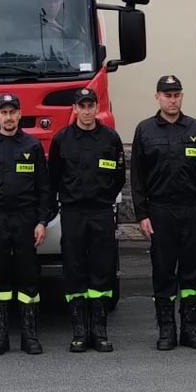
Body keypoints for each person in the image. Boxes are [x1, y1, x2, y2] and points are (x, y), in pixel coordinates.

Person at [131, 75, 196, 351]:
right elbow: (138, 179)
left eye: (177, 94)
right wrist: (142, 213)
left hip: (191, 210)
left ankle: (191, 328)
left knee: (193, 274)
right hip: (160, 211)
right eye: (167, 95)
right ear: (157, 97)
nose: (172, 100)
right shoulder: (145, 130)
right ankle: (166, 330)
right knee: (163, 273)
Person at [0, 93, 52, 356]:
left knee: (28, 276)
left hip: (26, 219)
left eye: (12, 112)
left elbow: (44, 188)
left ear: (20, 114)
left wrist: (42, 221)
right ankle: (0, 337)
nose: (8, 117)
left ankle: (29, 336)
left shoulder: (31, 146)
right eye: (3, 112)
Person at [48, 87, 126, 353]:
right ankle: (80, 331)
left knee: (102, 268)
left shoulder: (110, 139)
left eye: (91, 105)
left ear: (96, 108)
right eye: (82, 106)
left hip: (101, 211)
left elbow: (119, 176)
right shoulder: (61, 140)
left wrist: (104, 198)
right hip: (72, 212)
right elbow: (54, 177)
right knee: (75, 268)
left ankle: (100, 331)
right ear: (75, 109)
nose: (87, 111)